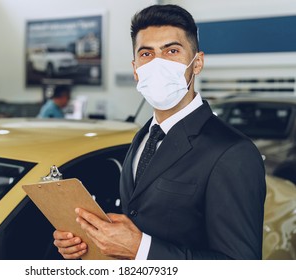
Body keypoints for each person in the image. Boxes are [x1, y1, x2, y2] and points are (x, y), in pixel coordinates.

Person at [53, 4, 266, 260]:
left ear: (197, 63)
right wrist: (88, 241)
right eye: (146, 54)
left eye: (172, 51)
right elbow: (137, 219)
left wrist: (142, 249)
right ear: (135, 70)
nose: (157, 63)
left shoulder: (232, 152)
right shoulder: (144, 136)